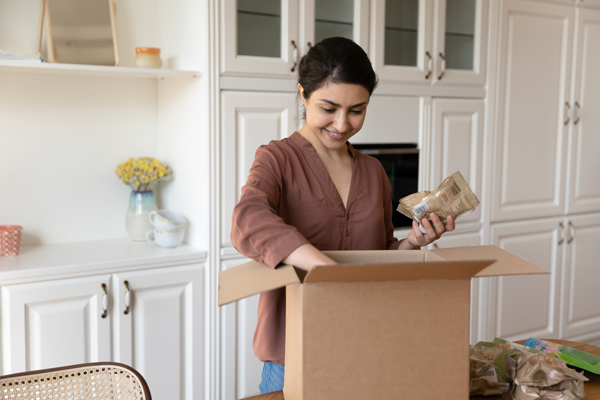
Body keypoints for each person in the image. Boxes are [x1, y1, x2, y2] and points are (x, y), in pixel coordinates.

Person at [230, 36, 455, 394]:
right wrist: (325, 271)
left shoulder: (373, 173)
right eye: (328, 108)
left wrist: (414, 242)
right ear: (303, 95)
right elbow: (248, 219)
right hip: (292, 354)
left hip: (364, 344)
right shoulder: (276, 159)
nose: (342, 123)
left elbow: (381, 254)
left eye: (356, 110)